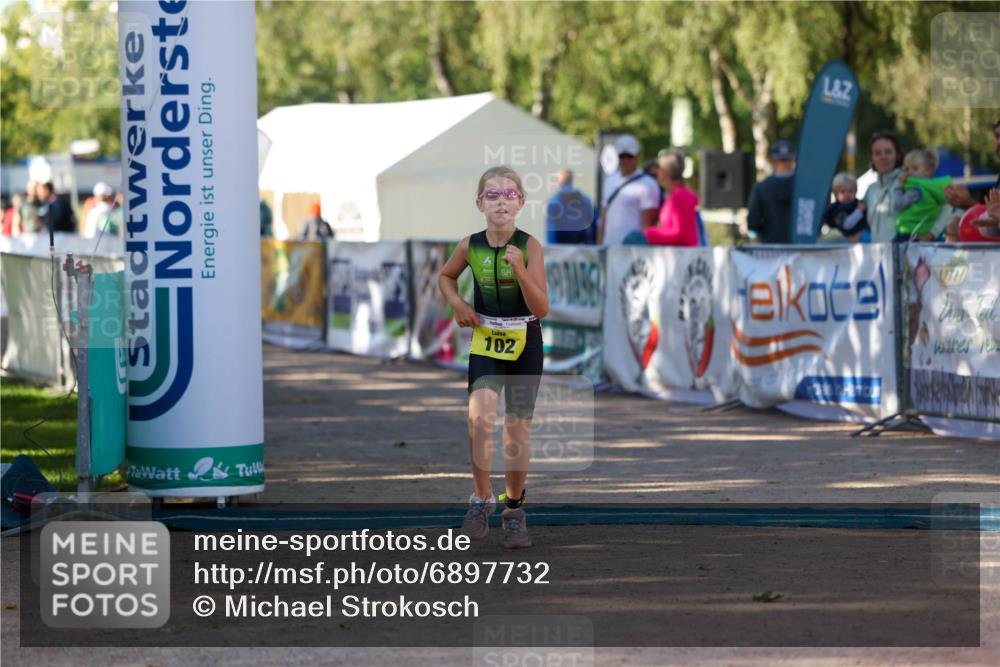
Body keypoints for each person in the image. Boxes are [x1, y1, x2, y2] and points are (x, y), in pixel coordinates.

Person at [438, 166, 549, 549]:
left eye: (509, 194)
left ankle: (514, 509)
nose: (501, 201)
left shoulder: (530, 246)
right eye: (492, 195)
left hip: (525, 339)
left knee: (516, 431)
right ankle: (481, 497)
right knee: (479, 419)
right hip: (486, 339)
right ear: (479, 203)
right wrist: (458, 304)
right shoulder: (469, 245)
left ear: (521, 202)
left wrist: (520, 270)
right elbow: (446, 277)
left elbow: (542, 308)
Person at [598, 134, 660, 246]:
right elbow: (604, 218)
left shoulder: (648, 184)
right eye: (622, 156)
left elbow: (648, 225)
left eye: (629, 156)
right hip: (609, 248)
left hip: (633, 250)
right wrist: (599, 245)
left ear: (637, 155)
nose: (625, 160)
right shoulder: (610, 181)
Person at [892, 149, 951, 242]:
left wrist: (898, 187)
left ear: (928, 171)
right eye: (906, 169)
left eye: (915, 168)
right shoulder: (933, 190)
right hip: (923, 232)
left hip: (908, 232)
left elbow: (898, 205)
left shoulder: (916, 191)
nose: (909, 172)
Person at [644, 149, 699, 246]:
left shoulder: (680, 196)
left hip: (683, 254)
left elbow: (681, 235)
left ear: (665, 172)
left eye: (659, 168)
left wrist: (650, 234)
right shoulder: (675, 195)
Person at [746, 139, 796, 244]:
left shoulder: (761, 188)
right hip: (801, 247)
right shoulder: (804, 188)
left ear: (773, 160)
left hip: (770, 247)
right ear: (793, 159)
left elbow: (753, 223)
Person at [862, 130, 905, 243]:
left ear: (898, 155)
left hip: (904, 252)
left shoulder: (908, 181)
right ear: (872, 158)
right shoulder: (870, 189)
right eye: (877, 153)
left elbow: (944, 205)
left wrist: (932, 233)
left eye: (888, 152)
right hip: (876, 253)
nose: (883, 157)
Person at [545, 169, 595, 245]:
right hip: (581, 246)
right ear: (571, 179)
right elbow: (593, 224)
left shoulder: (553, 201)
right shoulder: (586, 200)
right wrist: (593, 245)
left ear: (560, 181)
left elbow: (551, 230)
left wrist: (552, 248)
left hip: (561, 246)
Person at [822, 173, 869, 243]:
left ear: (855, 191)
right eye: (843, 192)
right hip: (840, 241)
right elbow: (846, 225)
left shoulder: (859, 204)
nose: (847, 194)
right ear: (836, 194)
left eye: (850, 191)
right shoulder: (834, 209)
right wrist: (858, 212)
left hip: (861, 238)